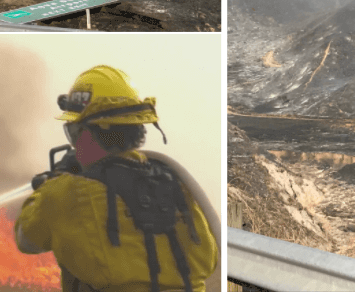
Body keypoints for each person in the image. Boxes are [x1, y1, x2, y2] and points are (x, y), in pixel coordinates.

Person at [15, 65, 219, 292]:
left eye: (74, 132)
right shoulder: (176, 184)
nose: (74, 143)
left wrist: (49, 186)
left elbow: (26, 238)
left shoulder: (64, 193)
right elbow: (211, 260)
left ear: (91, 134)